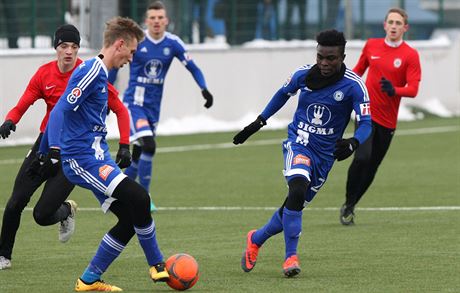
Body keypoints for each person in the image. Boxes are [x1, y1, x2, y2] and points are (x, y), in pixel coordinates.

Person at [40, 16, 169, 291]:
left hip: (98, 157)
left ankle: (88, 280)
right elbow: (61, 109)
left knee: (130, 219)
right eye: (132, 52)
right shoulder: (90, 70)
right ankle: (158, 264)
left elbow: (119, 109)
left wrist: (123, 144)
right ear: (120, 44)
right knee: (140, 197)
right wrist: (52, 151)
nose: (132, 59)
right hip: (81, 159)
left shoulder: (102, 75)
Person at [233, 29, 372, 277]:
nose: (324, 63)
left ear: (342, 57)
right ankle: (290, 258)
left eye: (331, 58)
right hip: (299, 143)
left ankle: (256, 238)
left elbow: (366, 123)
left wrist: (353, 143)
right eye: (320, 57)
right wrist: (258, 122)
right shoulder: (303, 75)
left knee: (292, 206)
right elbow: (282, 94)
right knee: (296, 188)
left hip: (325, 156)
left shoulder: (354, 86)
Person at [0, 24, 131, 271]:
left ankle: (66, 210)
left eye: (74, 46)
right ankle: (3, 256)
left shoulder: (89, 73)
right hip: (46, 145)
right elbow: (22, 104)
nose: (69, 51)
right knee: (16, 201)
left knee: (41, 215)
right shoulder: (44, 74)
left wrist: (124, 144)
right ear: (56, 48)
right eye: (63, 46)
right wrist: (10, 120)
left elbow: (121, 110)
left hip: (73, 152)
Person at [109, 1, 214, 211]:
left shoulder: (173, 43)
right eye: (152, 18)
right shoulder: (136, 41)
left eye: (160, 18)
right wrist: (105, 90)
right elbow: (115, 66)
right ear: (146, 21)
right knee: (149, 145)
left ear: (166, 21)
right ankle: (144, 199)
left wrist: (204, 88)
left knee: (138, 154)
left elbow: (193, 67)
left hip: (153, 108)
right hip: (134, 104)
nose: (156, 22)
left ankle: (117, 194)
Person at [339, 7, 421, 225]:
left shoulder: (410, 55)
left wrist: (394, 89)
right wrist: (341, 88)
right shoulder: (371, 45)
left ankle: (351, 204)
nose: (394, 26)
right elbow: (358, 71)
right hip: (366, 113)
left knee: (372, 166)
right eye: (391, 22)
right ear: (385, 25)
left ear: (405, 27)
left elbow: (413, 89)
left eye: (398, 23)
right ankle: (348, 201)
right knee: (362, 157)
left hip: (388, 121)